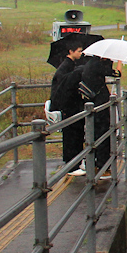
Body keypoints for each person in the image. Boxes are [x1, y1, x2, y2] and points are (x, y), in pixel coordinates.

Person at [78, 57, 121, 178]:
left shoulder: (90, 64)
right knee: (103, 135)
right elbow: (116, 73)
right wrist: (118, 62)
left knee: (95, 135)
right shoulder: (98, 65)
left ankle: (94, 163)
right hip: (100, 105)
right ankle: (103, 166)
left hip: (94, 105)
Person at [50, 47, 88, 176]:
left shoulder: (69, 65)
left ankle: (76, 161)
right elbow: (65, 86)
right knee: (71, 135)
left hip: (72, 105)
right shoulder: (67, 67)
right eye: (78, 51)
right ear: (71, 51)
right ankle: (71, 164)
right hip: (69, 106)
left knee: (76, 134)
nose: (81, 53)